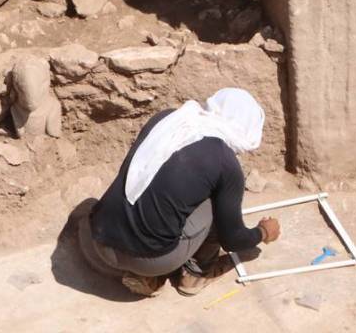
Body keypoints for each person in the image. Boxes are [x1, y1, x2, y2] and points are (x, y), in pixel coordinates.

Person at [80, 88, 281, 297]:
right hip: (147, 261)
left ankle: (144, 265)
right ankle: (194, 274)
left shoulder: (167, 119)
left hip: (99, 237)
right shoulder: (225, 164)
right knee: (216, 202)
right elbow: (233, 239)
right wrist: (263, 232)